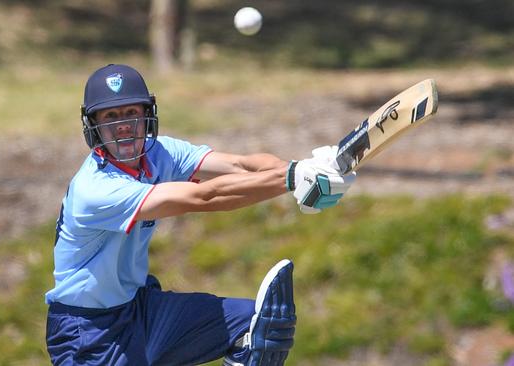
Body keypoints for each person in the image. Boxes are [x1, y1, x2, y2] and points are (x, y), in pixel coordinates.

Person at [44, 64, 356, 365]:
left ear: (147, 116)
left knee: (262, 326)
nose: (123, 124)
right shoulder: (94, 189)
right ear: (93, 126)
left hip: (142, 309)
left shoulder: (161, 153)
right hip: (90, 331)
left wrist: (307, 170)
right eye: (111, 116)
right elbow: (205, 196)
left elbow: (242, 166)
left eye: (130, 113)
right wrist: (291, 178)